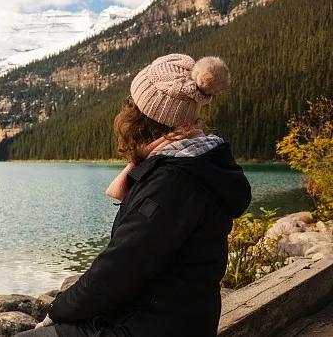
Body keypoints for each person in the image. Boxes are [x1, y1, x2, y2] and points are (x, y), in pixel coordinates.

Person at [16, 54, 252, 337]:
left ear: (144, 117)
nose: (127, 109)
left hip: (152, 327)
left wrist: (57, 310)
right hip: (182, 319)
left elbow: (119, 268)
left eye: (133, 103)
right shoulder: (198, 161)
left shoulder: (173, 181)